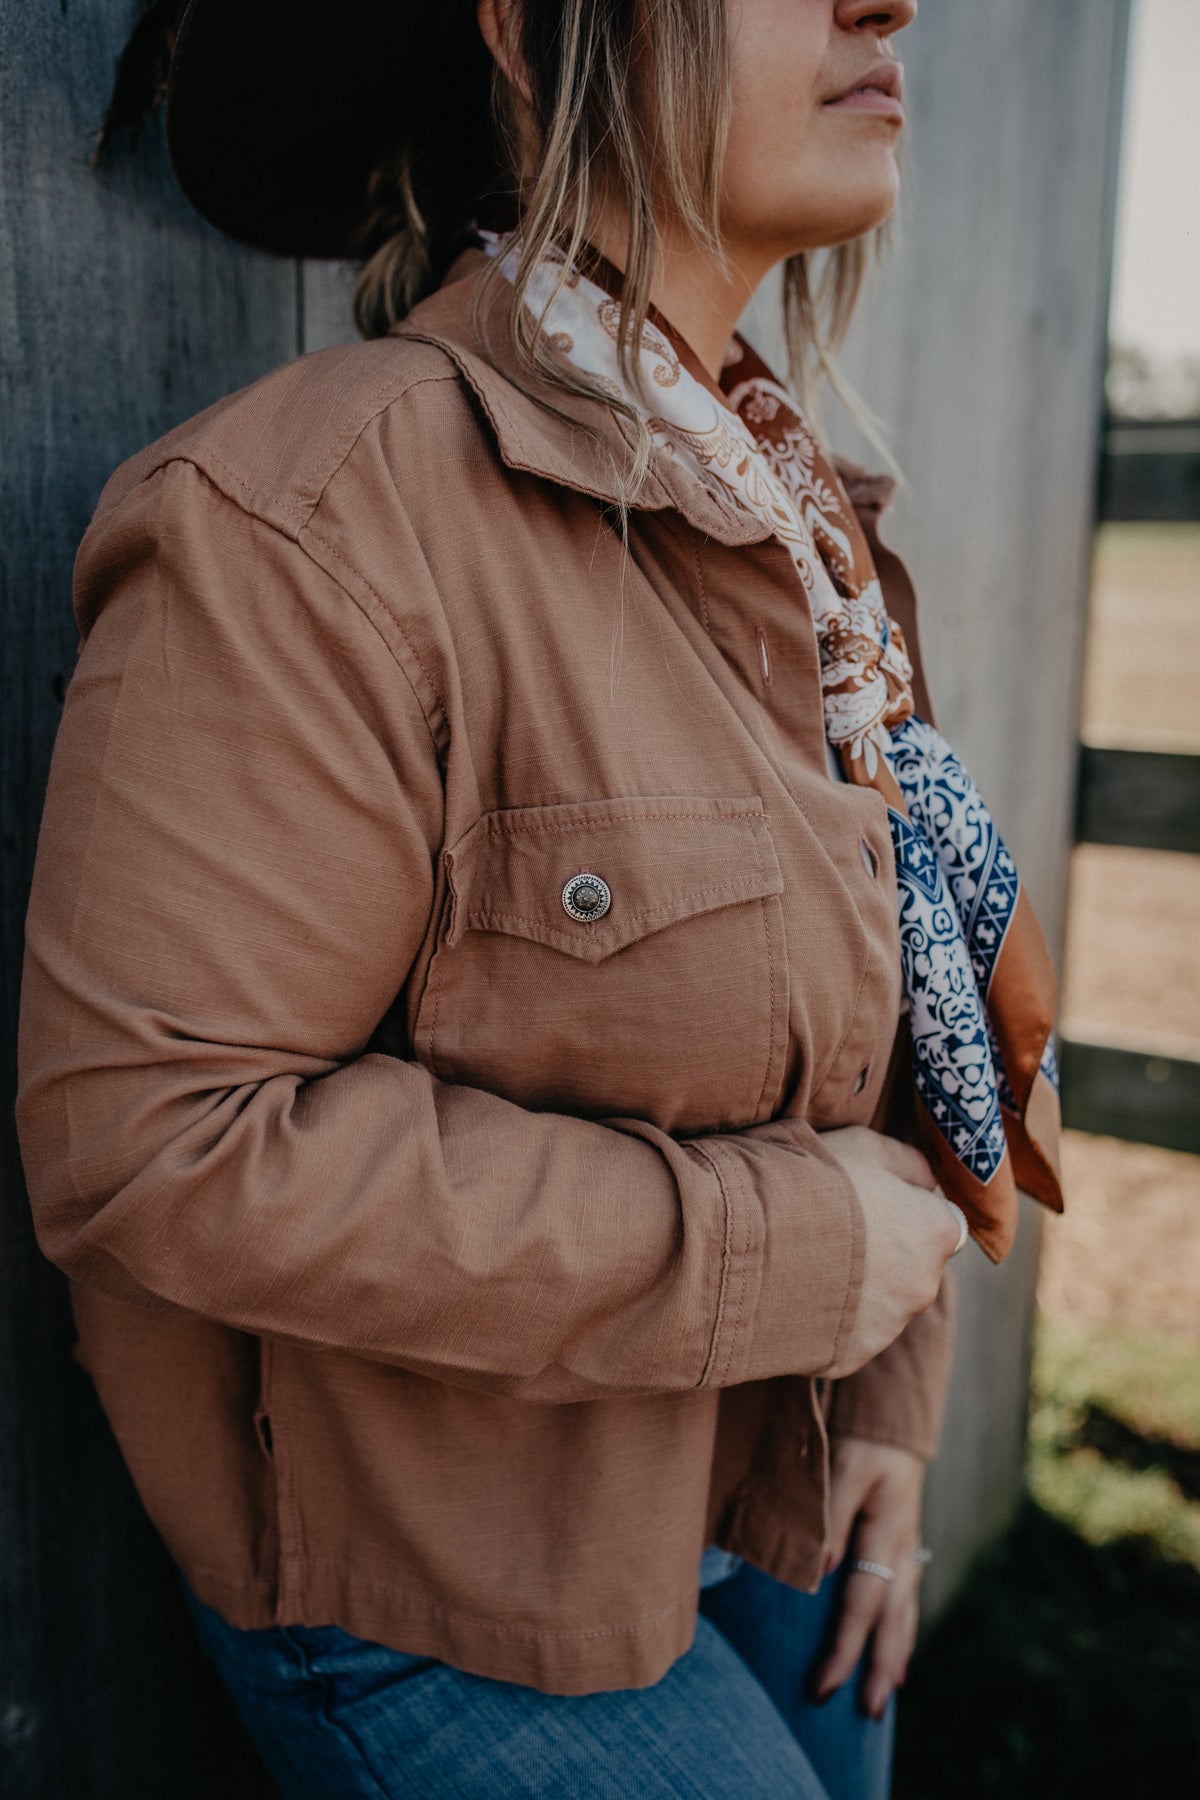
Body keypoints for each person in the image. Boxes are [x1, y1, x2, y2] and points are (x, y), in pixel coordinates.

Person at [17, 1, 1065, 1795]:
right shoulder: (315, 521)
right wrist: (797, 1260)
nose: (886, 0)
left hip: (772, 1492)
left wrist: (887, 1395)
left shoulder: (807, 532)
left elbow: (905, 1006)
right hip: (445, 1593)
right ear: (526, 26)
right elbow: (152, 1135)